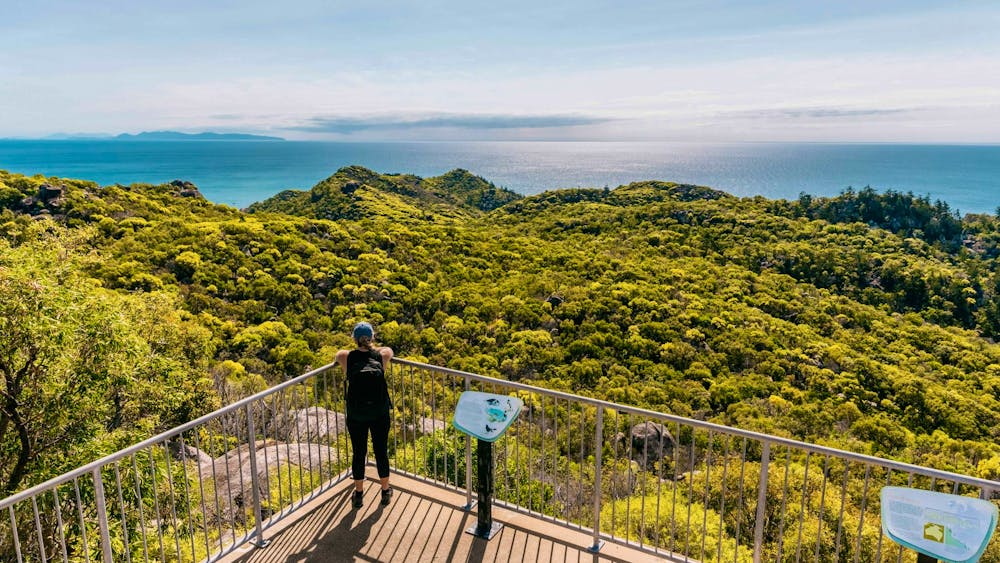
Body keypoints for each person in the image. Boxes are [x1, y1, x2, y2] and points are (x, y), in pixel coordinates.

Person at [336, 321, 394, 509]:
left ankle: (359, 494)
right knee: (381, 451)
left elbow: (338, 354)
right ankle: (385, 491)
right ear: (372, 337)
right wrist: (373, 346)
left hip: (357, 414)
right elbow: (389, 350)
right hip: (379, 412)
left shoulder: (347, 357)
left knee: (359, 452)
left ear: (354, 339)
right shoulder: (380, 356)